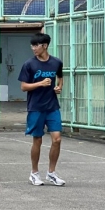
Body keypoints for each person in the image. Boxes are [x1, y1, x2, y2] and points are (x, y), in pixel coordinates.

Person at [18, 32, 65, 186]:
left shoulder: (56, 62)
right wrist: (40, 84)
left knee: (57, 139)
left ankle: (51, 173)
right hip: (36, 107)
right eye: (32, 46)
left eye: (36, 45)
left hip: (52, 106)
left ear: (44, 46)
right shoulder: (29, 64)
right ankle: (34, 173)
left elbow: (60, 77)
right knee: (37, 139)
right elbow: (23, 86)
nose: (33, 48)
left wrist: (59, 87)